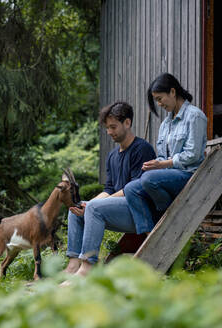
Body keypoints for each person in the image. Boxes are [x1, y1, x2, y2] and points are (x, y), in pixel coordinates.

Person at [64, 101, 156, 277]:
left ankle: (87, 269)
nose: (109, 132)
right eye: (107, 128)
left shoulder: (142, 149)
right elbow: (109, 189)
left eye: (113, 127)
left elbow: (135, 189)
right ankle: (73, 265)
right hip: (119, 209)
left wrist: (95, 206)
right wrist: (88, 205)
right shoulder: (112, 156)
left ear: (127, 123)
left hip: (139, 212)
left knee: (93, 207)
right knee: (77, 207)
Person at [124, 73, 207, 233]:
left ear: (173, 92)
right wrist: (155, 165)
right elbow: (162, 156)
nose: (159, 104)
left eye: (160, 98)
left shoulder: (195, 116)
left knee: (149, 179)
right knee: (130, 189)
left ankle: (166, 215)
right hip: (168, 176)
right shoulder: (165, 124)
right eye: (156, 100)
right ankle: (149, 235)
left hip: (188, 175)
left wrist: (162, 164)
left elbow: (193, 155)